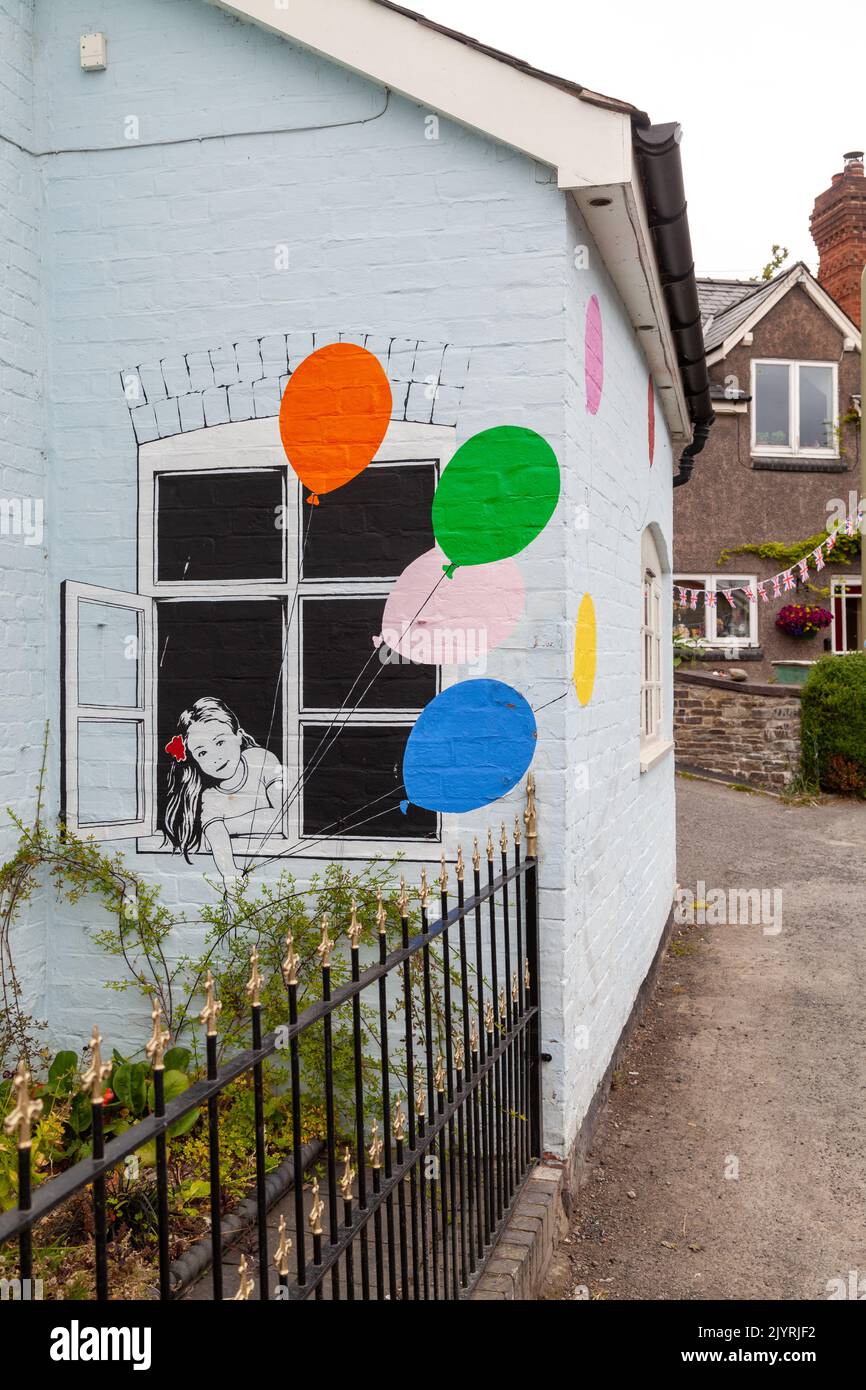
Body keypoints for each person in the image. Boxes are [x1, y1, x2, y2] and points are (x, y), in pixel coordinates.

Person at [163, 697, 283, 893]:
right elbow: (217, 839)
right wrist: (229, 873)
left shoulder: (262, 760)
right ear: (195, 760)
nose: (215, 757)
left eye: (220, 742)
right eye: (202, 753)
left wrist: (227, 826)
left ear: (239, 736)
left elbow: (286, 816)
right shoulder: (210, 798)